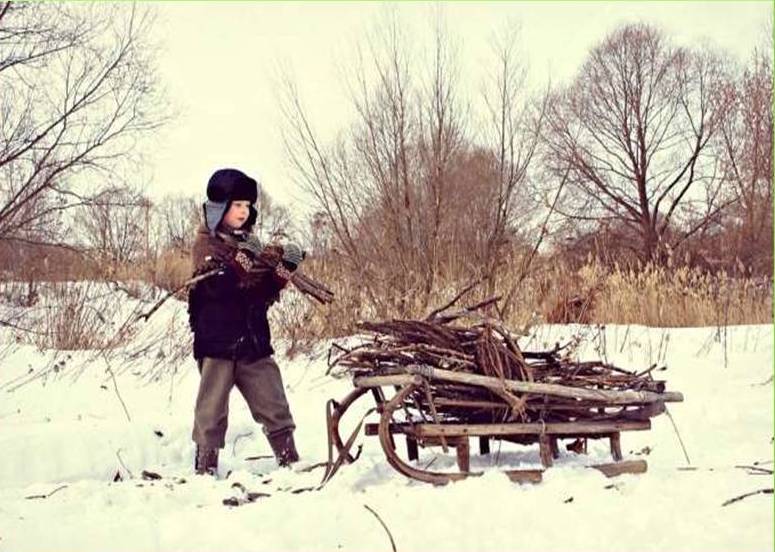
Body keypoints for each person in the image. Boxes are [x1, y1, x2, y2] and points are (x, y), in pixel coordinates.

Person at [187, 168, 303, 476]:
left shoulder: (251, 245)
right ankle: (205, 469)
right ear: (219, 208)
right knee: (211, 411)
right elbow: (217, 288)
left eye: (247, 205)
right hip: (218, 342)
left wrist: (283, 271)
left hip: (252, 341)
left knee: (273, 400)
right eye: (236, 204)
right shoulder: (206, 246)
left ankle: (289, 460)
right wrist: (243, 261)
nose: (243, 211)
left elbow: (259, 295)